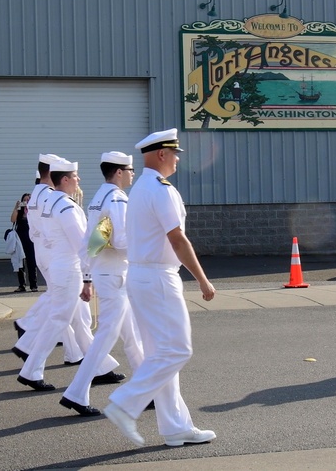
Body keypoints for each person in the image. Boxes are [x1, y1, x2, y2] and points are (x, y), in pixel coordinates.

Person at [103, 128, 217, 448]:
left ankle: (175, 427)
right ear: (162, 155)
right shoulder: (162, 190)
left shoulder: (139, 188)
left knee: (161, 353)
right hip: (157, 277)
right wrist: (202, 279)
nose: (178, 159)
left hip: (139, 276)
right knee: (178, 349)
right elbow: (177, 238)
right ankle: (126, 403)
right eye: (175, 153)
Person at [16, 160, 122, 392]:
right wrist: (88, 278)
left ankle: (100, 367)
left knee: (78, 321)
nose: (79, 180)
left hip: (58, 264)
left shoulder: (50, 201)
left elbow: (41, 235)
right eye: (75, 176)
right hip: (69, 269)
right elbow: (83, 245)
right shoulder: (66, 206)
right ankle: (31, 370)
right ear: (64, 179)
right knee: (58, 320)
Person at [61, 151, 142, 417]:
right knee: (106, 336)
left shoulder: (99, 197)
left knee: (132, 337)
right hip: (115, 275)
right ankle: (76, 392)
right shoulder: (117, 199)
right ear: (118, 172)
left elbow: (91, 242)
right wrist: (148, 248)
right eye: (130, 169)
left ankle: (147, 390)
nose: (133, 173)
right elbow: (120, 240)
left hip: (107, 273)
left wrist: (89, 274)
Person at [10, 192, 38, 292]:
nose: (26, 202)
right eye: (24, 200)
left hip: (31, 239)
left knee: (32, 262)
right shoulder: (20, 211)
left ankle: (33, 285)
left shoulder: (34, 211)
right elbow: (12, 220)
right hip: (20, 238)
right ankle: (22, 285)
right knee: (20, 262)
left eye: (28, 200)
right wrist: (16, 207)